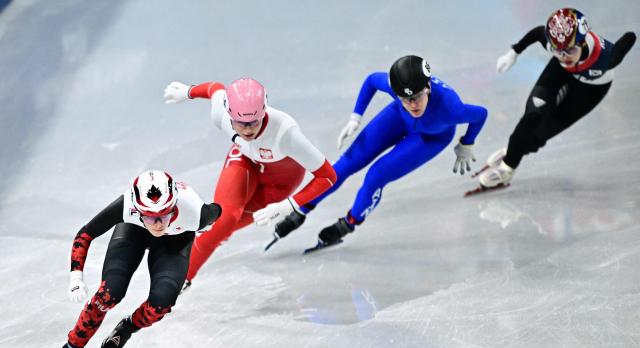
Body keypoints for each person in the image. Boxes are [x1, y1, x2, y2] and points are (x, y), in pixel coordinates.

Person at [271, 55, 488, 248]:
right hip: (398, 118)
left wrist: (467, 143)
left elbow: (481, 114)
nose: (413, 105)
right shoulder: (399, 93)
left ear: (428, 87)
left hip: (430, 138)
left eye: (417, 97)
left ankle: (349, 223)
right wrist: (355, 117)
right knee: (344, 165)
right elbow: (372, 80)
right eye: (405, 99)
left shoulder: (451, 108)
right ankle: (302, 209)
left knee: (375, 176)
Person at [39, 170, 221, 348]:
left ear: (175, 204)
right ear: (137, 208)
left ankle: (127, 327)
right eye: (150, 217)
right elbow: (85, 234)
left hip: (176, 240)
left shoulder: (196, 213)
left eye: (164, 214)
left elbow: (220, 210)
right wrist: (76, 278)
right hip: (133, 231)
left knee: (161, 303)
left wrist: (208, 224)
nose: (158, 223)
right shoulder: (126, 205)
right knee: (109, 293)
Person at [163, 78, 336, 284]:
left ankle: (186, 248)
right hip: (246, 161)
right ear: (228, 114)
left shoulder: (286, 133)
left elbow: (328, 176)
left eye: (254, 122)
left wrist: (289, 205)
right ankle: (179, 281)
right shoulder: (221, 115)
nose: (247, 130)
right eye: (240, 123)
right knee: (223, 221)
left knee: (223, 230)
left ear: (264, 111)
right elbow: (215, 89)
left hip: (279, 184)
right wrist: (188, 92)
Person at [476, 8, 636, 190]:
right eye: (556, 50)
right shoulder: (559, 47)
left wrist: (622, 45)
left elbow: (629, 37)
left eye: (569, 50)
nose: (563, 56)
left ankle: (514, 150)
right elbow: (538, 32)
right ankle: (507, 168)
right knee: (532, 116)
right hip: (560, 72)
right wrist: (513, 52)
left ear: (583, 43)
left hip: (591, 88)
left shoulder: (606, 58)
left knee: (545, 130)